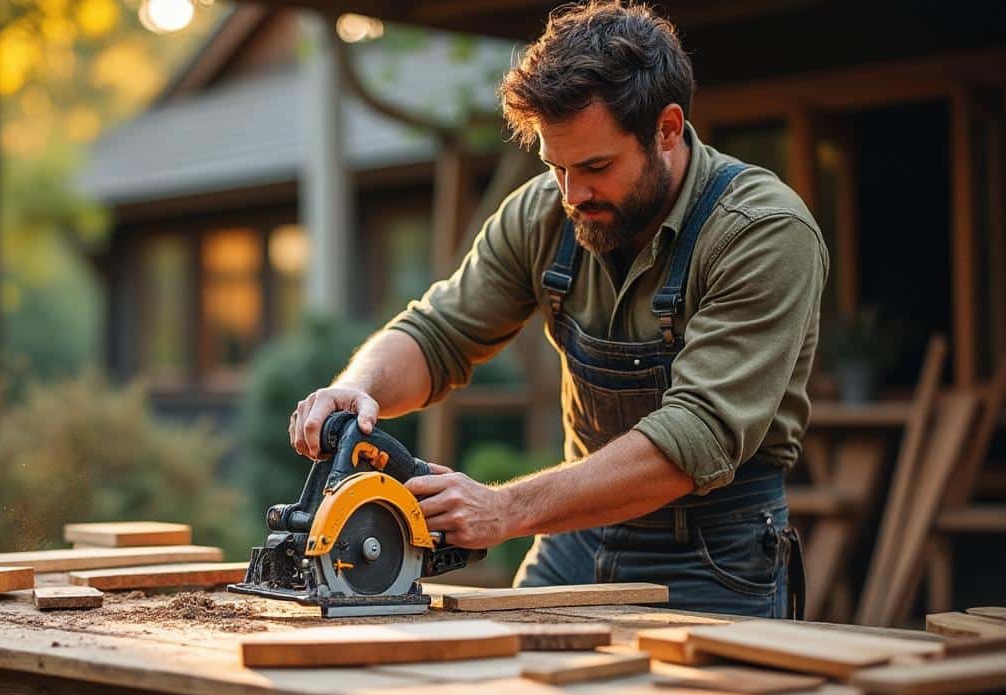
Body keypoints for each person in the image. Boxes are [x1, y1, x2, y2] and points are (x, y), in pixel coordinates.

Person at [288, 0, 827, 618]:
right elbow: (439, 334)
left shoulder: (762, 232)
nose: (573, 194)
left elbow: (694, 438)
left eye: (596, 166)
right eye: (556, 166)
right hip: (573, 537)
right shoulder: (545, 210)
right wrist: (355, 391)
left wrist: (506, 510)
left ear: (668, 129)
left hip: (713, 555)